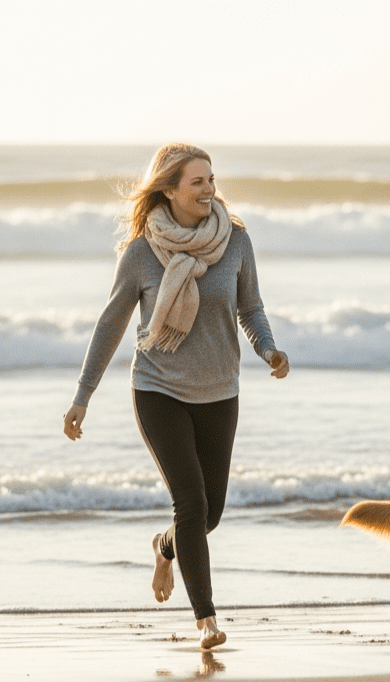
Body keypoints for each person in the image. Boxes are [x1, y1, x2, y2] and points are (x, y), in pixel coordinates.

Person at [62, 143, 290, 649]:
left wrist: (269, 349)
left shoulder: (235, 243)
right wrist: (84, 395)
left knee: (209, 514)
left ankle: (165, 548)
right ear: (169, 189)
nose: (210, 190)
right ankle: (206, 619)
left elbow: (250, 309)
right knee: (190, 503)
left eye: (211, 180)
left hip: (219, 392)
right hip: (158, 390)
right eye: (198, 182)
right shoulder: (142, 253)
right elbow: (111, 324)